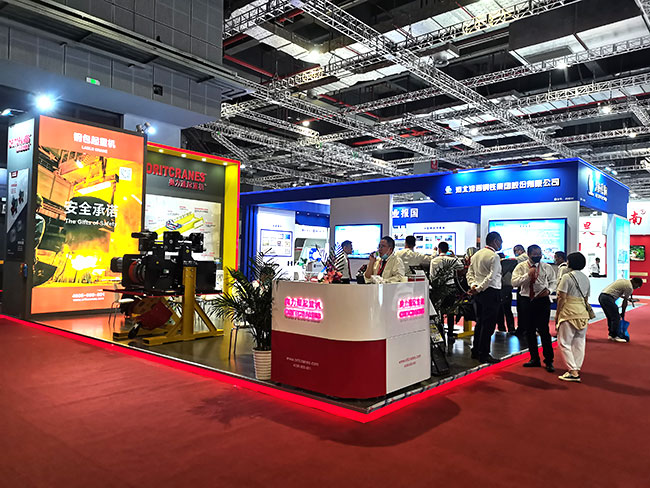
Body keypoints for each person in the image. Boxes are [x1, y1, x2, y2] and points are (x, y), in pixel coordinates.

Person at [511, 244, 557, 372]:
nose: (538, 256)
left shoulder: (546, 267)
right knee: (529, 331)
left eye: (539, 254)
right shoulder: (521, 267)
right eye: (535, 254)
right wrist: (527, 276)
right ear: (529, 254)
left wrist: (549, 290)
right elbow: (514, 282)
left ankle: (549, 360)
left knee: (544, 330)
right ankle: (534, 358)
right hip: (526, 300)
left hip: (542, 300)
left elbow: (553, 281)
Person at [467, 231, 503, 364]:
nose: (501, 244)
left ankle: (476, 350)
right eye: (500, 241)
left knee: (480, 322)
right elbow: (491, 277)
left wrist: (474, 286)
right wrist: (480, 288)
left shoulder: (476, 254)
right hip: (491, 292)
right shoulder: (494, 256)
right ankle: (484, 354)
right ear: (495, 241)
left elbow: (470, 273)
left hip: (479, 293)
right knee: (488, 325)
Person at [555, 252, 591, 382]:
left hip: (568, 312)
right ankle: (576, 367)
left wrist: (557, 314)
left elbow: (561, 297)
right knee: (580, 341)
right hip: (582, 312)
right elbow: (586, 298)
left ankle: (573, 371)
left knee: (564, 342)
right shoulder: (586, 278)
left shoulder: (567, 277)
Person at [430, 241, 463, 348]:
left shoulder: (434, 260)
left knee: (438, 313)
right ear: (447, 249)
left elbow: (432, 276)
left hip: (438, 290)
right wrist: (454, 256)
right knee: (450, 312)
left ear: (439, 249)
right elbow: (461, 266)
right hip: (451, 289)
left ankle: (440, 334)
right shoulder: (452, 260)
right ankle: (450, 334)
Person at [598, 277, 643, 342]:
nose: (636, 288)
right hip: (608, 299)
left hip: (602, 297)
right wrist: (623, 313)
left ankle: (611, 334)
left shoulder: (623, 281)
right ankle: (615, 336)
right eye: (638, 286)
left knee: (610, 317)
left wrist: (628, 299)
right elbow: (624, 302)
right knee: (616, 317)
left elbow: (616, 292)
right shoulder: (630, 287)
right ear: (636, 283)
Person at [497, 254, 517, 334]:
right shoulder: (510, 265)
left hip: (499, 288)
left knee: (500, 310)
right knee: (507, 310)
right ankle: (511, 328)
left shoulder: (500, 265)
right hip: (507, 289)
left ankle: (501, 328)